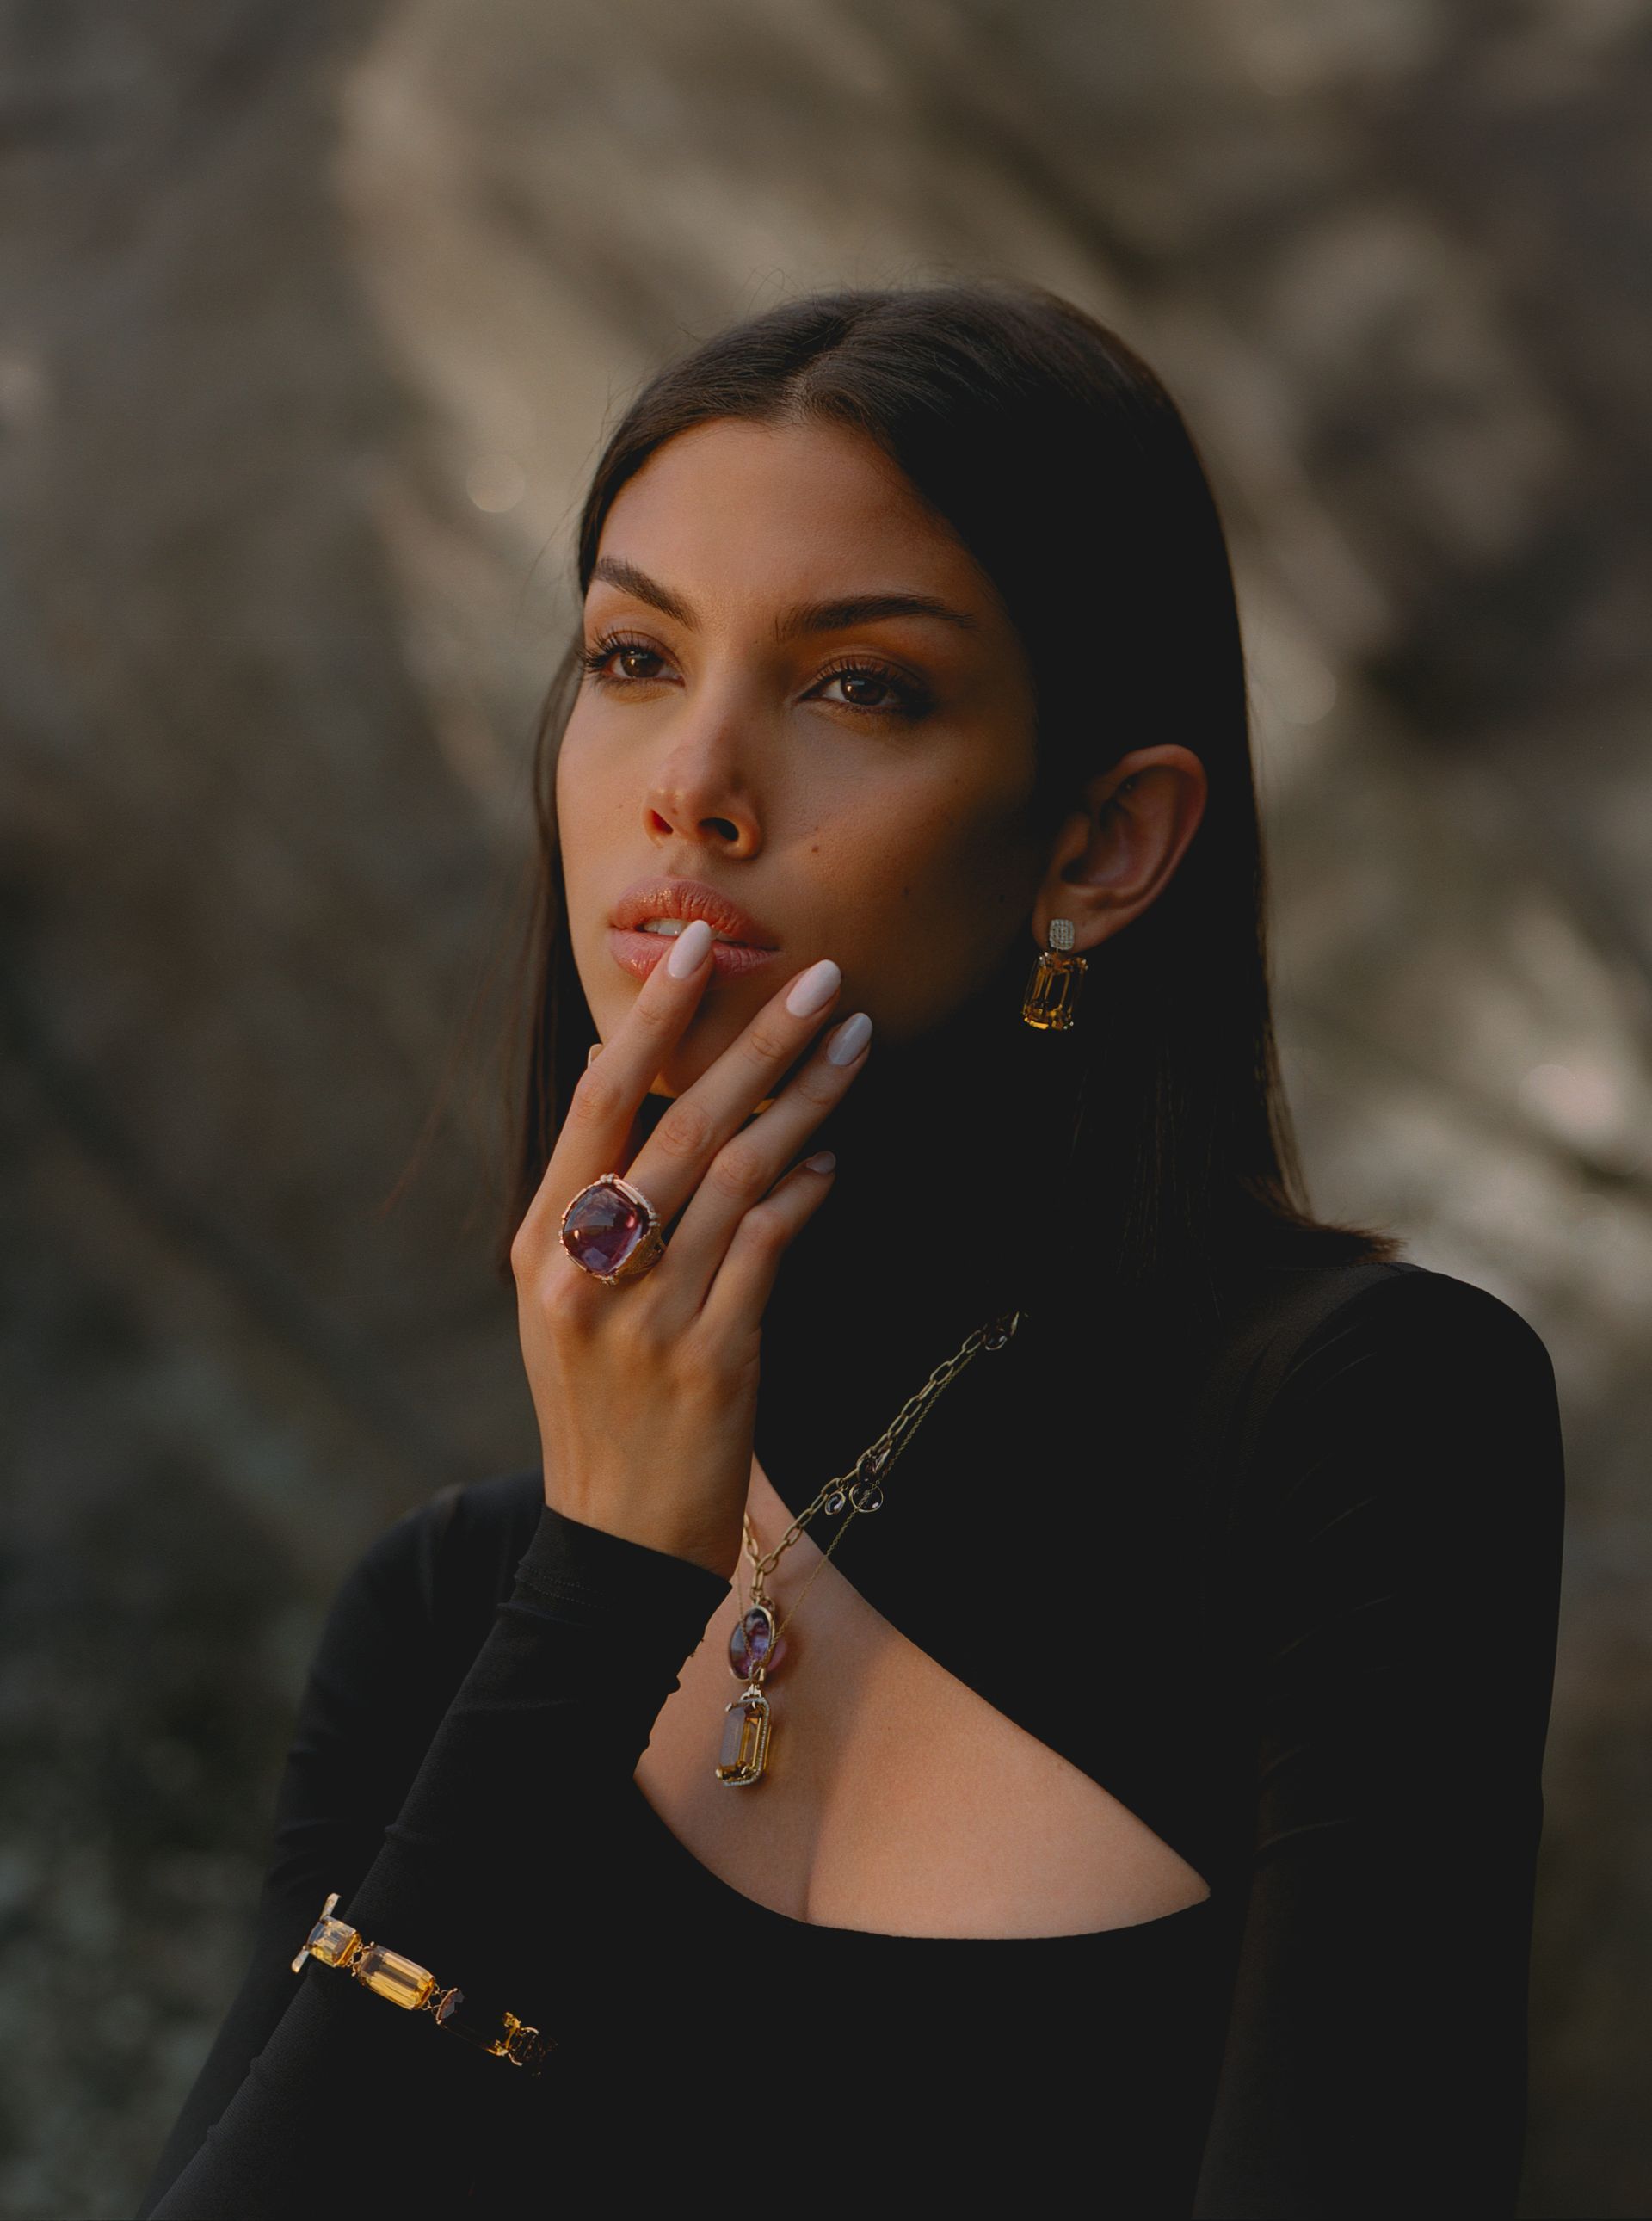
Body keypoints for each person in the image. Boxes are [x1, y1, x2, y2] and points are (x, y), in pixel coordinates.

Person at [134, 281, 1565, 2218]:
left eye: (858, 687)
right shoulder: (448, 1613)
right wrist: (603, 1591)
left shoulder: (1345, 1424)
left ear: (1100, 847)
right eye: (634, 656)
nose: (693, 785)